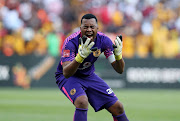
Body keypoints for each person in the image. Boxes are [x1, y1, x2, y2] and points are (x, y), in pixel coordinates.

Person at [55, 13, 129, 121]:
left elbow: (120, 70)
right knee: (82, 101)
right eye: (85, 27)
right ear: (80, 28)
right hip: (69, 77)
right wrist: (80, 57)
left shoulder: (104, 41)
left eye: (92, 27)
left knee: (118, 107)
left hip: (88, 75)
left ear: (97, 28)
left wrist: (118, 56)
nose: (89, 30)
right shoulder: (70, 42)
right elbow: (66, 72)